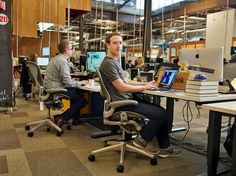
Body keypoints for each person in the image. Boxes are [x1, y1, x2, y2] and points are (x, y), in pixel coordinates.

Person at [100, 32, 181, 157]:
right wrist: (144, 87)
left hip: (126, 100)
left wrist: (146, 83)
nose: (118, 46)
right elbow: (122, 88)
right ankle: (141, 140)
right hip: (122, 104)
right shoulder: (108, 63)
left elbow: (126, 81)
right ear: (107, 45)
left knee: (161, 111)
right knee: (161, 115)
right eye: (115, 43)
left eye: (120, 43)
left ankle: (165, 148)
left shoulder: (114, 61)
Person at [44, 40, 88, 127]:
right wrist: (80, 83)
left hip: (50, 87)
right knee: (82, 101)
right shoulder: (62, 61)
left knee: (76, 95)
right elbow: (67, 82)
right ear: (66, 50)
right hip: (56, 89)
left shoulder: (55, 59)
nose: (73, 51)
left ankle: (76, 119)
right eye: (71, 49)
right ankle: (62, 117)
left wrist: (74, 81)